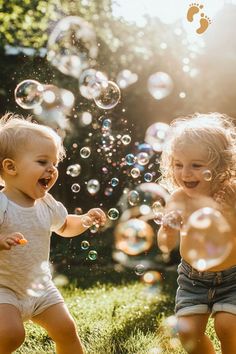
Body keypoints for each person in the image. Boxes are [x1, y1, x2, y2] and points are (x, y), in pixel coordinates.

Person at [0, 113, 107, 354]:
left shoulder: (47, 204)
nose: (52, 169)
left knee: (66, 329)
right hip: (3, 288)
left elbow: (65, 225)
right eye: (42, 162)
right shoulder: (2, 205)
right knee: (10, 335)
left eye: (55, 163)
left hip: (40, 287)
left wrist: (85, 220)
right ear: (10, 167)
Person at [157, 112, 236, 354]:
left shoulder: (231, 194)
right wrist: (168, 230)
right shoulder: (178, 199)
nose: (185, 173)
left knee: (228, 325)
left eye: (196, 165)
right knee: (188, 331)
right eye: (178, 165)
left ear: (219, 166)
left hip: (233, 278)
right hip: (193, 280)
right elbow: (165, 244)